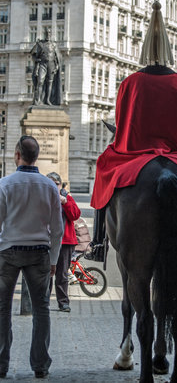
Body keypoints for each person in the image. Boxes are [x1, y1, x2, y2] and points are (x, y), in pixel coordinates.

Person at [90, 1, 177, 252]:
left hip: (135, 152)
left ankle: (97, 242)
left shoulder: (130, 83)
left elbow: (123, 125)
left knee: (104, 167)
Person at [0, 136, 63, 379]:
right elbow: (57, 229)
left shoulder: (5, 184)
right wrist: (55, 260)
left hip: (8, 250)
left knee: (3, 309)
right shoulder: (49, 186)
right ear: (36, 156)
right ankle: (40, 365)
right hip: (39, 252)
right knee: (42, 310)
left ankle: (2, 364)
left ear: (17, 155)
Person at [47, 172, 81, 312]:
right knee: (46, 274)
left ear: (60, 185)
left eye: (56, 183)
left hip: (65, 241)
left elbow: (75, 215)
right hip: (47, 241)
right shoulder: (43, 197)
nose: (54, 186)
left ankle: (63, 303)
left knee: (61, 275)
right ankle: (43, 302)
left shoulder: (66, 197)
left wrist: (65, 202)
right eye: (51, 183)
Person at [31, 27, 61, 106]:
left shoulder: (54, 44)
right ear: (44, 34)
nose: (48, 34)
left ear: (51, 34)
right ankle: (38, 100)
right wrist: (36, 60)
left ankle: (47, 100)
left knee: (50, 83)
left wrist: (57, 66)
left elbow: (57, 57)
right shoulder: (40, 43)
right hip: (42, 64)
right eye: (47, 33)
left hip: (51, 64)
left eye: (49, 33)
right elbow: (33, 54)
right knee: (40, 81)